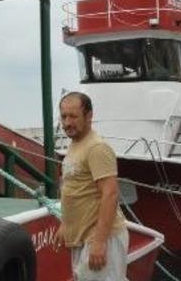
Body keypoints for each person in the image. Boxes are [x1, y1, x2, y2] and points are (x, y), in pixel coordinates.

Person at [54, 92, 128, 280]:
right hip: (83, 239)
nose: (68, 122)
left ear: (89, 116)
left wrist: (99, 241)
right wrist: (65, 223)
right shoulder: (76, 144)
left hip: (99, 239)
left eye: (73, 116)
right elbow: (77, 188)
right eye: (64, 117)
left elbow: (110, 194)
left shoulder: (97, 148)